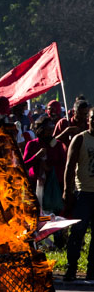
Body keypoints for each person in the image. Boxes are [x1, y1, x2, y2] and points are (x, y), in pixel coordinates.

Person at [63, 109, 94, 281]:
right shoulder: (80, 138)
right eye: (93, 119)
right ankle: (71, 267)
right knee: (77, 233)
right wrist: (67, 190)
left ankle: (92, 269)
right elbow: (69, 166)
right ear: (88, 120)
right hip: (83, 193)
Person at [23, 116, 66, 214]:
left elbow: (63, 164)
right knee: (39, 214)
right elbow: (24, 165)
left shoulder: (57, 144)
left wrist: (50, 168)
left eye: (52, 128)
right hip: (36, 186)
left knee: (53, 214)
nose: (51, 132)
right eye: (48, 129)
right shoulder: (32, 145)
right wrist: (36, 157)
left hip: (54, 186)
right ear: (41, 130)